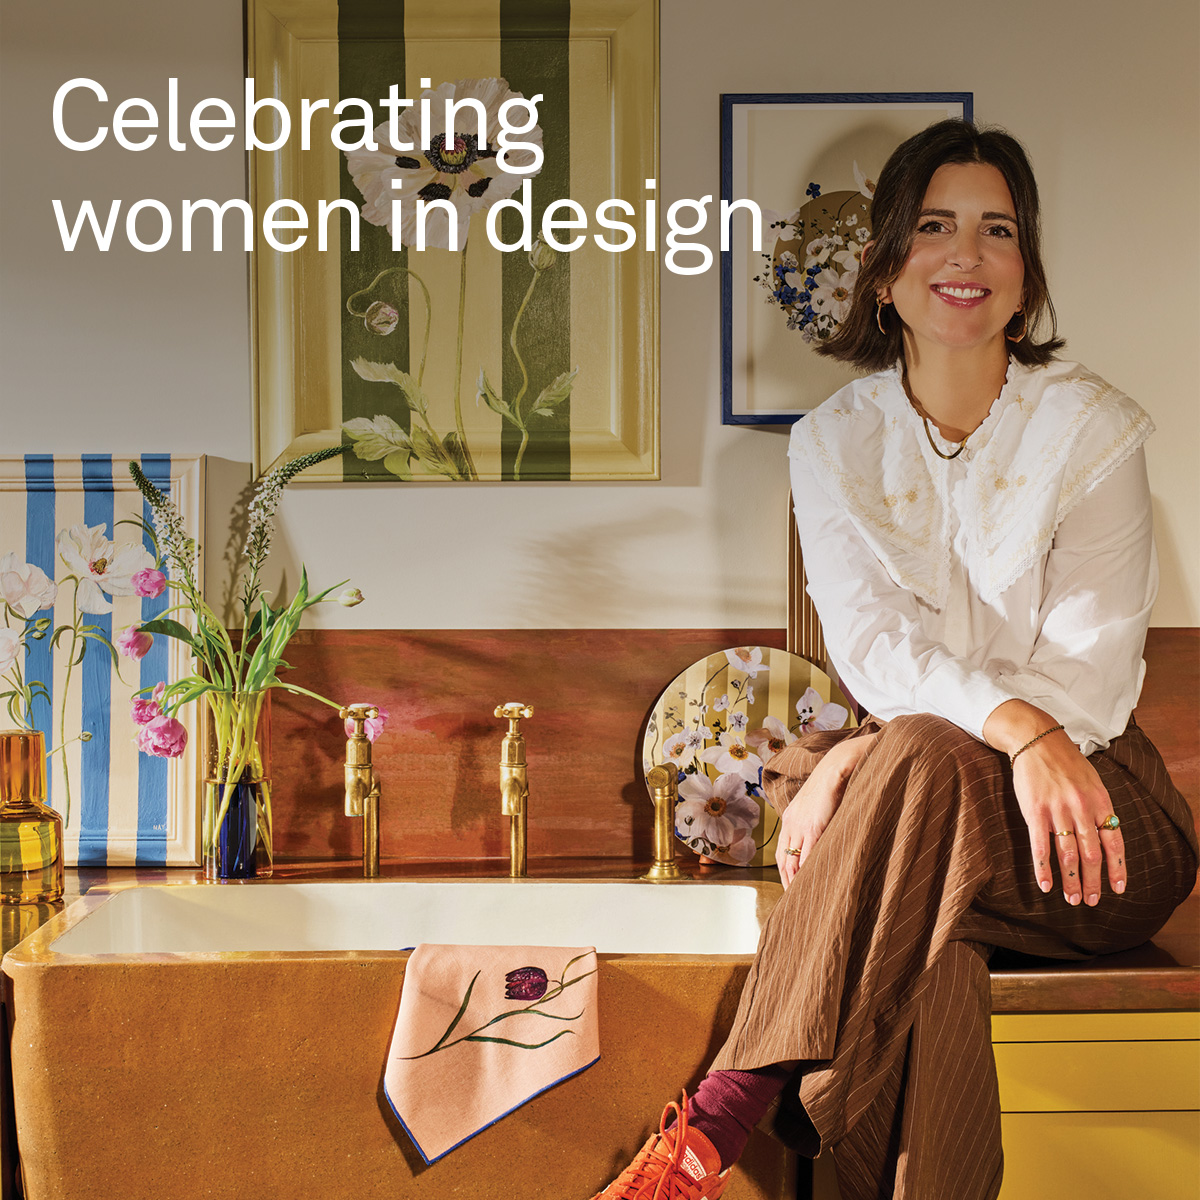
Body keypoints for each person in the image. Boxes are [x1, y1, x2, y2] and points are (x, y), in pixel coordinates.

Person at [589, 120, 1198, 1200]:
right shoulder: (834, 443)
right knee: (935, 950)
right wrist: (940, 742)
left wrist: (874, 757)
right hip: (948, 824)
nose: (965, 254)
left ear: (1025, 277)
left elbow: (1092, 677)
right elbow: (874, 648)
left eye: (996, 230)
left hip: (1102, 828)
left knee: (911, 770)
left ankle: (732, 1106)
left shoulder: (1095, 430)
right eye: (933, 226)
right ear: (883, 272)